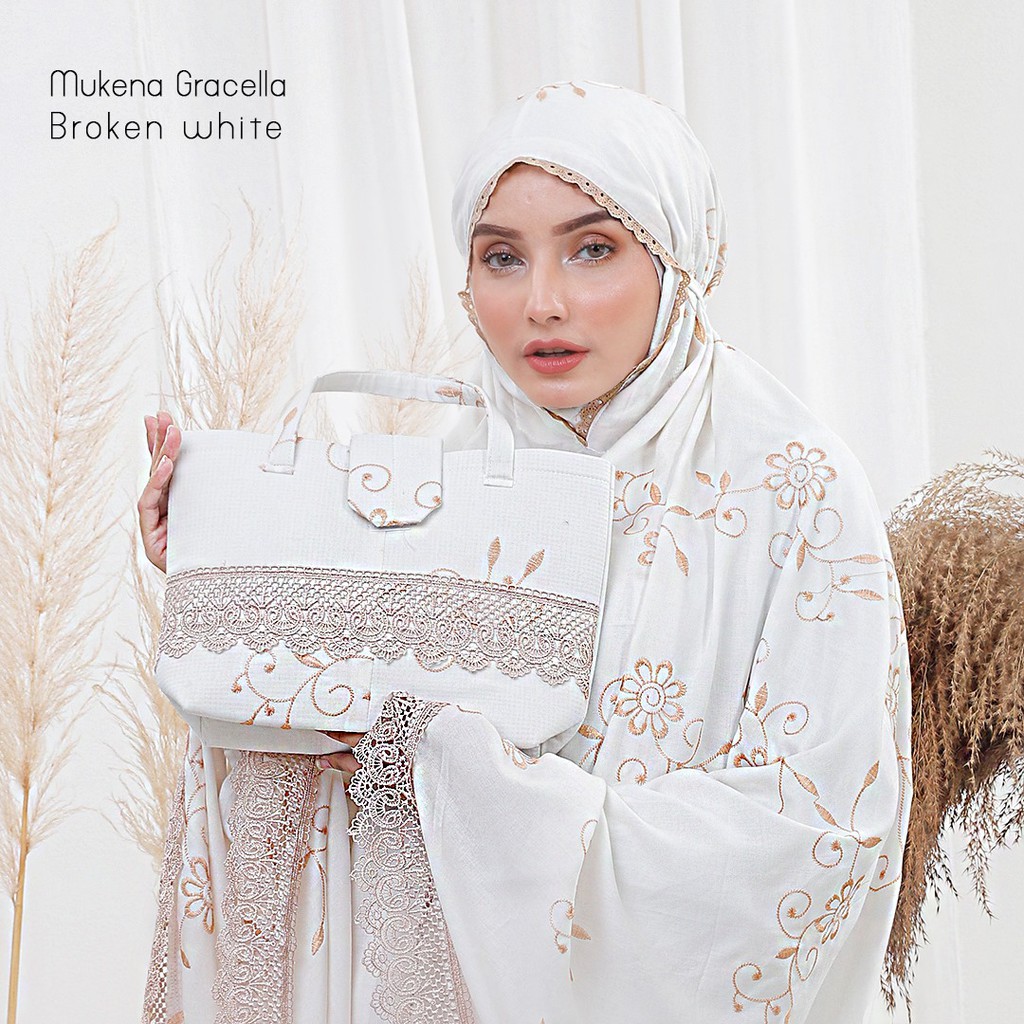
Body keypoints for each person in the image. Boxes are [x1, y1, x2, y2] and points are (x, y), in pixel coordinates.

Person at [138, 80, 911, 1023]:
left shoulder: (794, 490)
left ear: (677, 259)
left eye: (593, 248)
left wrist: (471, 781)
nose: (542, 303)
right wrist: (225, 569)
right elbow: (326, 773)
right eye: (502, 258)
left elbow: (819, 833)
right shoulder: (453, 472)